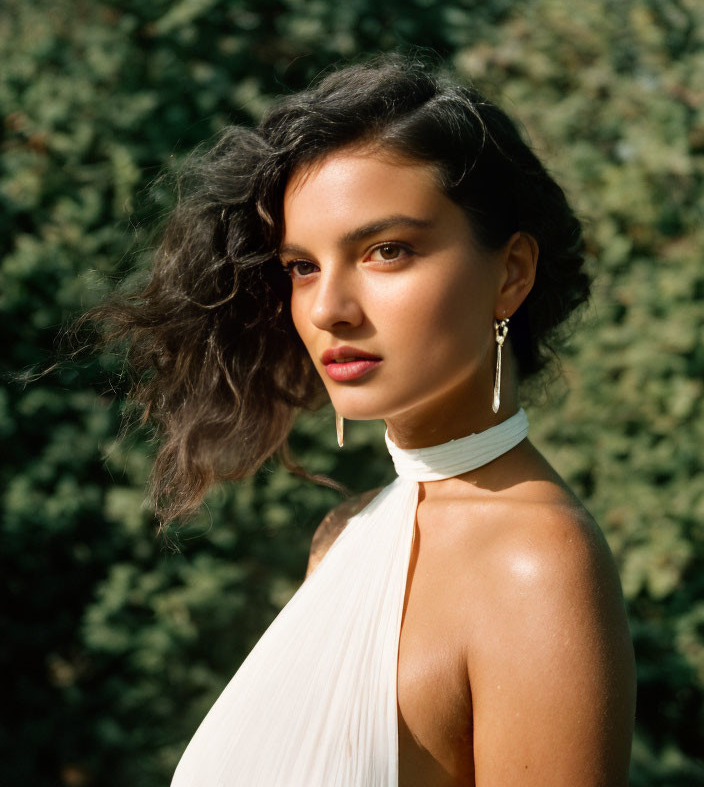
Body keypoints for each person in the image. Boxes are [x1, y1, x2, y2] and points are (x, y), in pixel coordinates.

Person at [92, 54, 636, 785]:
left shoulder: (535, 566)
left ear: (511, 274)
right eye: (303, 266)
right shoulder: (343, 536)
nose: (327, 310)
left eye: (386, 251)